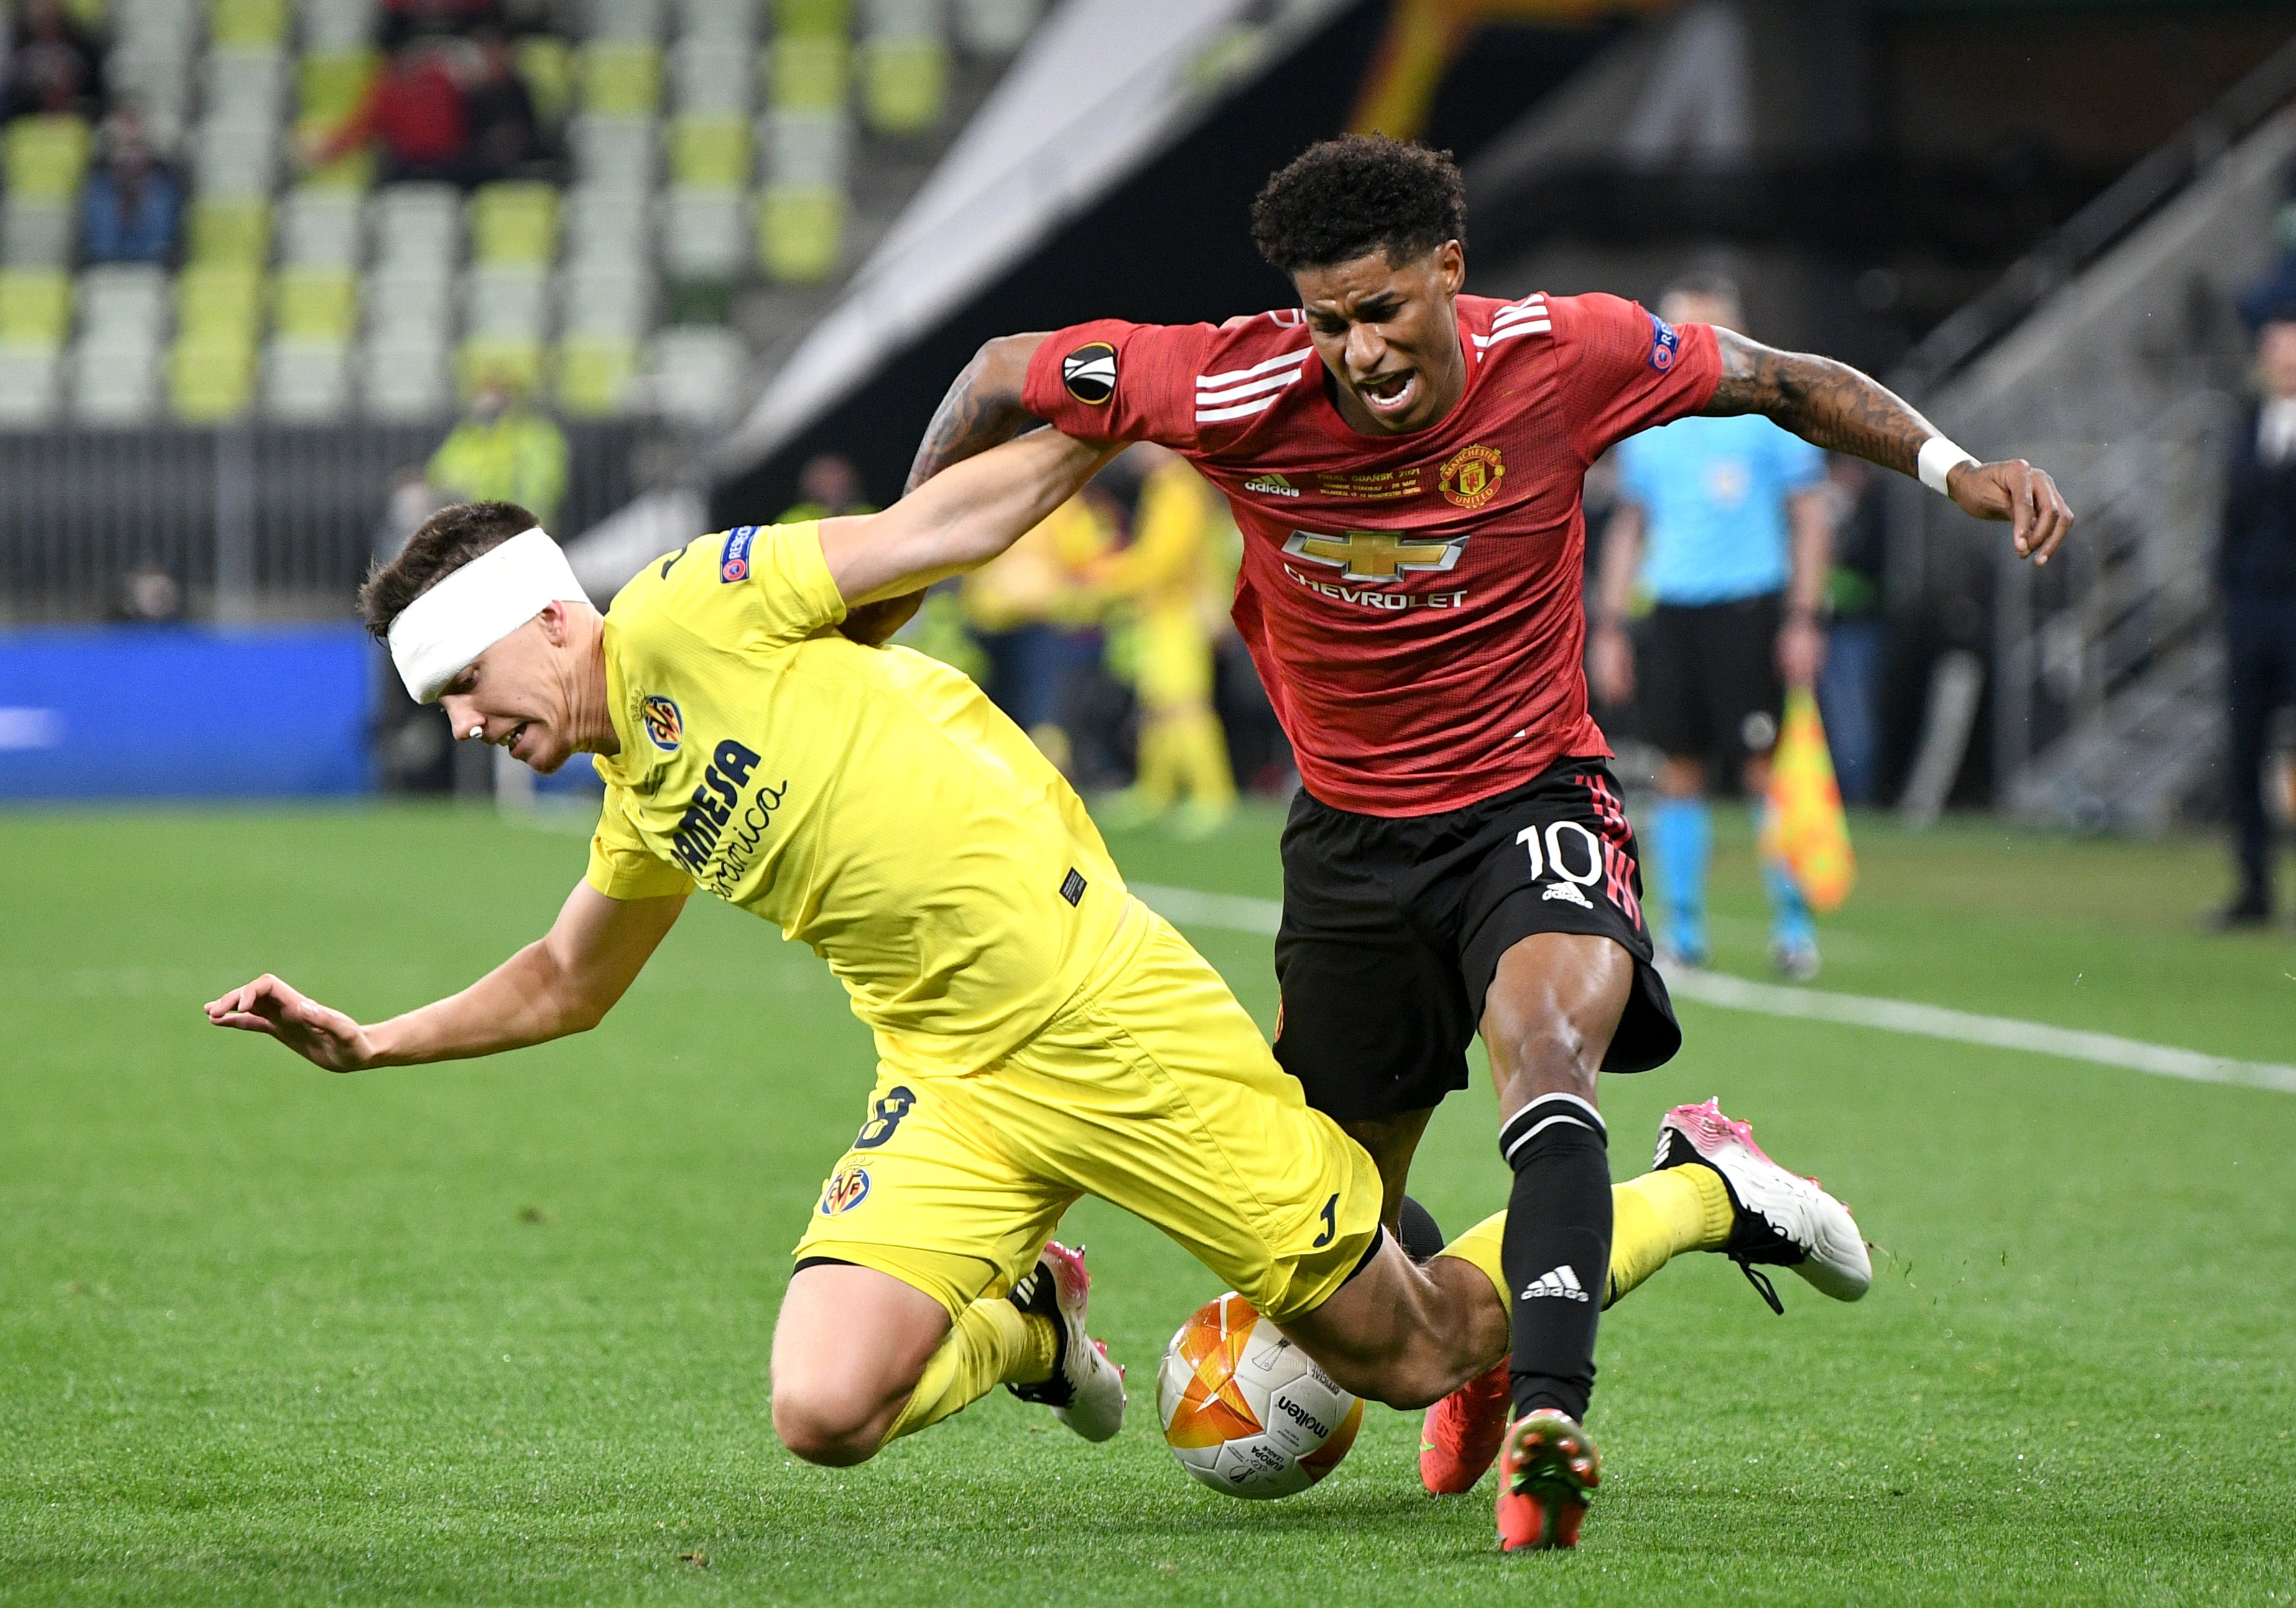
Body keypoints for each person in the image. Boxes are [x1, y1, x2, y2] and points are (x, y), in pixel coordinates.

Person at [201, 439, 1871, 1509]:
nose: (474, 730)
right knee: (821, 1411)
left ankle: (1702, 1188)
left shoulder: (697, 602)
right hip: (952, 1082)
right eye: (450, 718)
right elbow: (567, 983)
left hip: (1115, 1027)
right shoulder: (638, 789)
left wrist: (1118, 403)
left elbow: (937, 526)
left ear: (549, 618)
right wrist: (369, 1045)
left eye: (472, 688)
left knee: (1416, 1347)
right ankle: (1025, 1326)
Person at [896, 134, 2070, 1550]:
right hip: (1348, 849)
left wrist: (1960, 469)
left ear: (1448, 273)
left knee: (1545, 1057)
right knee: (1357, 1303)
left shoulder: (1565, 356)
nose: (1358, 352)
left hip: (1532, 802)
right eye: (1328, 321)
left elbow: (1783, 381)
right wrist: (883, 569)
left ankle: (1548, 1427)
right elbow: (994, 374)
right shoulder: (1223, 381)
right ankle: (1674, 1210)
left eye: (1383, 310)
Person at [1588, 273, 1835, 980]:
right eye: (1679, 331)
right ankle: (1683, 935)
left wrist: (1802, 617)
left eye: (1707, 330)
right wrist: (1608, 625)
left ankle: (1792, 929)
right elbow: (1628, 527)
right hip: (1670, 612)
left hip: (1749, 610)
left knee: (1765, 771)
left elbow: (1810, 517)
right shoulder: (1649, 424)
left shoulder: (1766, 412)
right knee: (1676, 773)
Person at [1091, 443, 1238, 836]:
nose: (1134, 450)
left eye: (1145, 443)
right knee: (1156, 705)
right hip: (1160, 612)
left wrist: (1108, 576)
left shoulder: (1178, 489)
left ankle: (1214, 797)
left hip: (1179, 613)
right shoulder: (1168, 487)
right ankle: (1156, 792)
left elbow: (1165, 561)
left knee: (1185, 704)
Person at [2215, 303, 2296, 929]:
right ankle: (2252, 888)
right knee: (2243, 751)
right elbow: (2229, 521)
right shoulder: (2246, 425)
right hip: (2251, 615)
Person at [303, 37, 470, 186]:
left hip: (426, 170)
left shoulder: (398, 88)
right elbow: (361, 129)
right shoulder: (443, 82)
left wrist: (324, 151)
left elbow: (361, 129)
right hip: (436, 170)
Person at [428, 379, 568, 529]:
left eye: (496, 394)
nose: (487, 401)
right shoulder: (466, 434)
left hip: (516, 525)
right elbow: (439, 472)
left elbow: (542, 484)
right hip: (472, 524)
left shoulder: (535, 433)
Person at [81, 108, 180, 266]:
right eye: (126, 146)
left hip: (152, 257)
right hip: (107, 257)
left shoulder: (163, 182)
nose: (131, 156)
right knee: (102, 196)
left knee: (159, 196)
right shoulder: (100, 183)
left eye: (137, 146)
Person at [2, 0, 103, 123]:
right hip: (25, 122)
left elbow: (95, 93)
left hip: (74, 122)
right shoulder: (15, 44)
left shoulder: (83, 46)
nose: (44, 8)